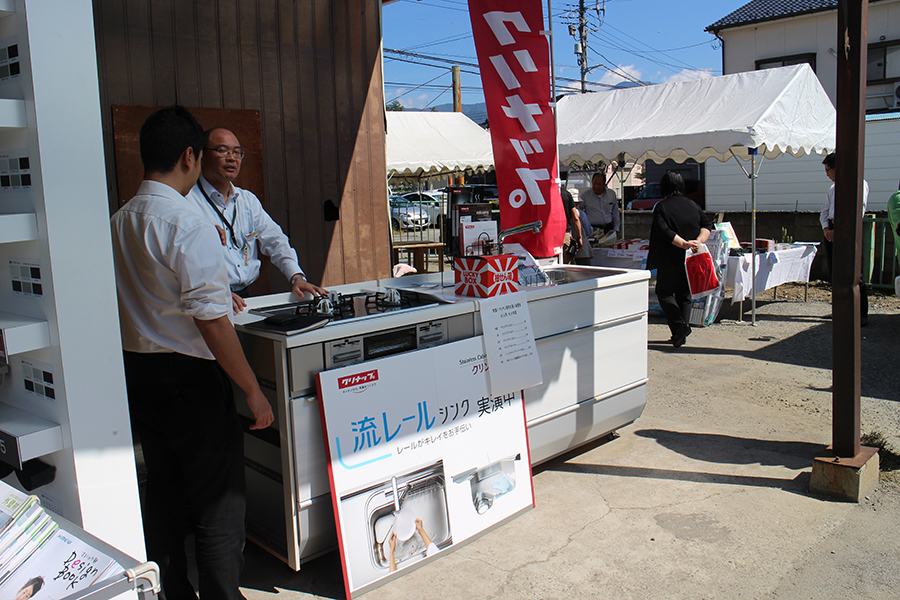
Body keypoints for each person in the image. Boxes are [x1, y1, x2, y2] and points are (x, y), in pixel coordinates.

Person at [111, 106, 274, 600]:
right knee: (218, 504)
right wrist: (252, 391)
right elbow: (210, 319)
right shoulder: (186, 221)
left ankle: (174, 593)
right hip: (190, 380)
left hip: (137, 373)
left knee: (162, 495)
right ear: (190, 156)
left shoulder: (120, 219)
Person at [188, 127, 326, 314]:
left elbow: (275, 240)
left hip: (245, 299)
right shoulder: (187, 201)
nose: (232, 158)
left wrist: (296, 277)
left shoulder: (247, 201)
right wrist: (215, 291)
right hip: (206, 300)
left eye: (237, 152)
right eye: (222, 151)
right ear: (201, 155)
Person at [647, 171, 711, 348]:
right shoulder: (693, 204)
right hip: (691, 258)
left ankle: (680, 327)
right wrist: (697, 242)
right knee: (684, 295)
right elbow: (707, 225)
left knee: (664, 293)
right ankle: (679, 334)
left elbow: (663, 230)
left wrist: (683, 243)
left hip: (670, 257)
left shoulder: (662, 206)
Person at [819, 152, 868, 326]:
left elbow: (857, 212)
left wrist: (838, 230)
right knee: (835, 274)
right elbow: (824, 211)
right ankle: (839, 310)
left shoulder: (858, 184)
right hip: (832, 229)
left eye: (828, 170)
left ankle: (860, 314)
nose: (827, 174)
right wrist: (827, 229)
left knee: (853, 274)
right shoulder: (832, 189)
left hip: (848, 231)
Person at [560, 185, 581, 264]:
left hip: (549, 235)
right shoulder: (566, 194)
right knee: (566, 264)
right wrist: (579, 236)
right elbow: (575, 218)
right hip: (565, 234)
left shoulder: (545, 193)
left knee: (549, 264)